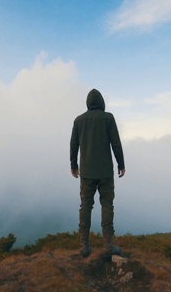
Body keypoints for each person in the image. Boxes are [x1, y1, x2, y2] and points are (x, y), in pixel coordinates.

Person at [70, 89, 125, 260]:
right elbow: (115, 143)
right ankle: (109, 245)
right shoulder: (108, 118)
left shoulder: (79, 120)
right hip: (105, 172)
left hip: (86, 172)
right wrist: (121, 164)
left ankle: (84, 246)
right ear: (101, 102)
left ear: (88, 103)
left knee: (85, 205)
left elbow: (74, 145)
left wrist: (74, 165)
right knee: (107, 205)